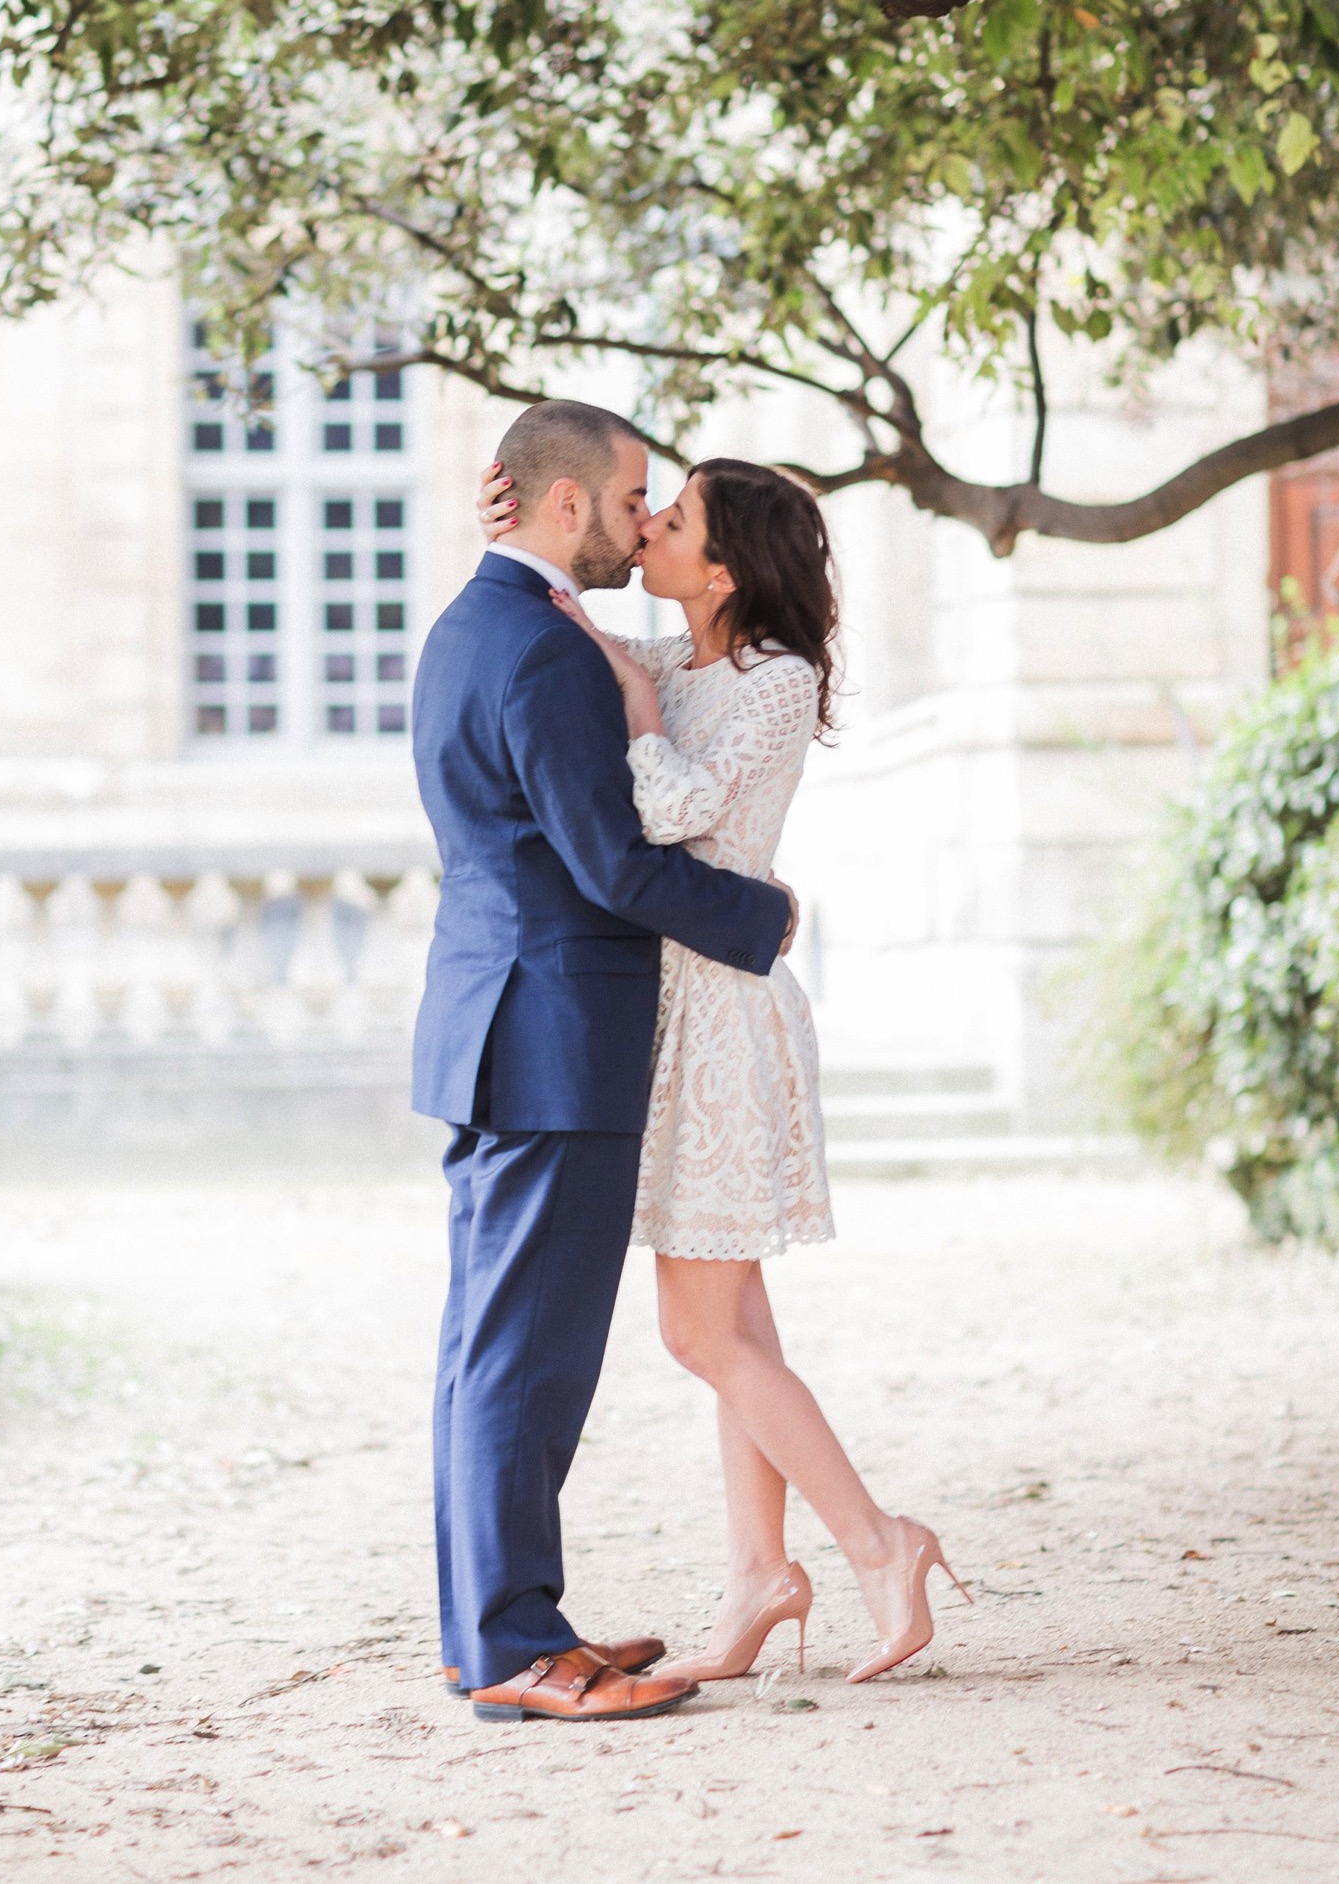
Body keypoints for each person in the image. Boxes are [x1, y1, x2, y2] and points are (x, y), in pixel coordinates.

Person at [478, 450, 970, 1685]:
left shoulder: (772, 680)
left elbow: (671, 814)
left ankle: (877, 1544)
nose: (646, 524)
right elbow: (556, 615)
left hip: (724, 1024)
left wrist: (640, 720)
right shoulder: (662, 656)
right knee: (736, 1320)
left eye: (674, 514)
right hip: (675, 1010)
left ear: (724, 567)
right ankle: (759, 1573)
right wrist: (514, 527)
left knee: (699, 1331)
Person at [412, 400, 796, 1724]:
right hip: (555, 1042)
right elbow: (611, 865)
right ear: (566, 507)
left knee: (488, 1349)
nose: (643, 528)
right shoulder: (542, 654)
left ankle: (495, 1632)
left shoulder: (484, 625)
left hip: (498, 1028)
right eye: (634, 502)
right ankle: (517, 1649)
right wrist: (765, 919)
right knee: (524, 1358)